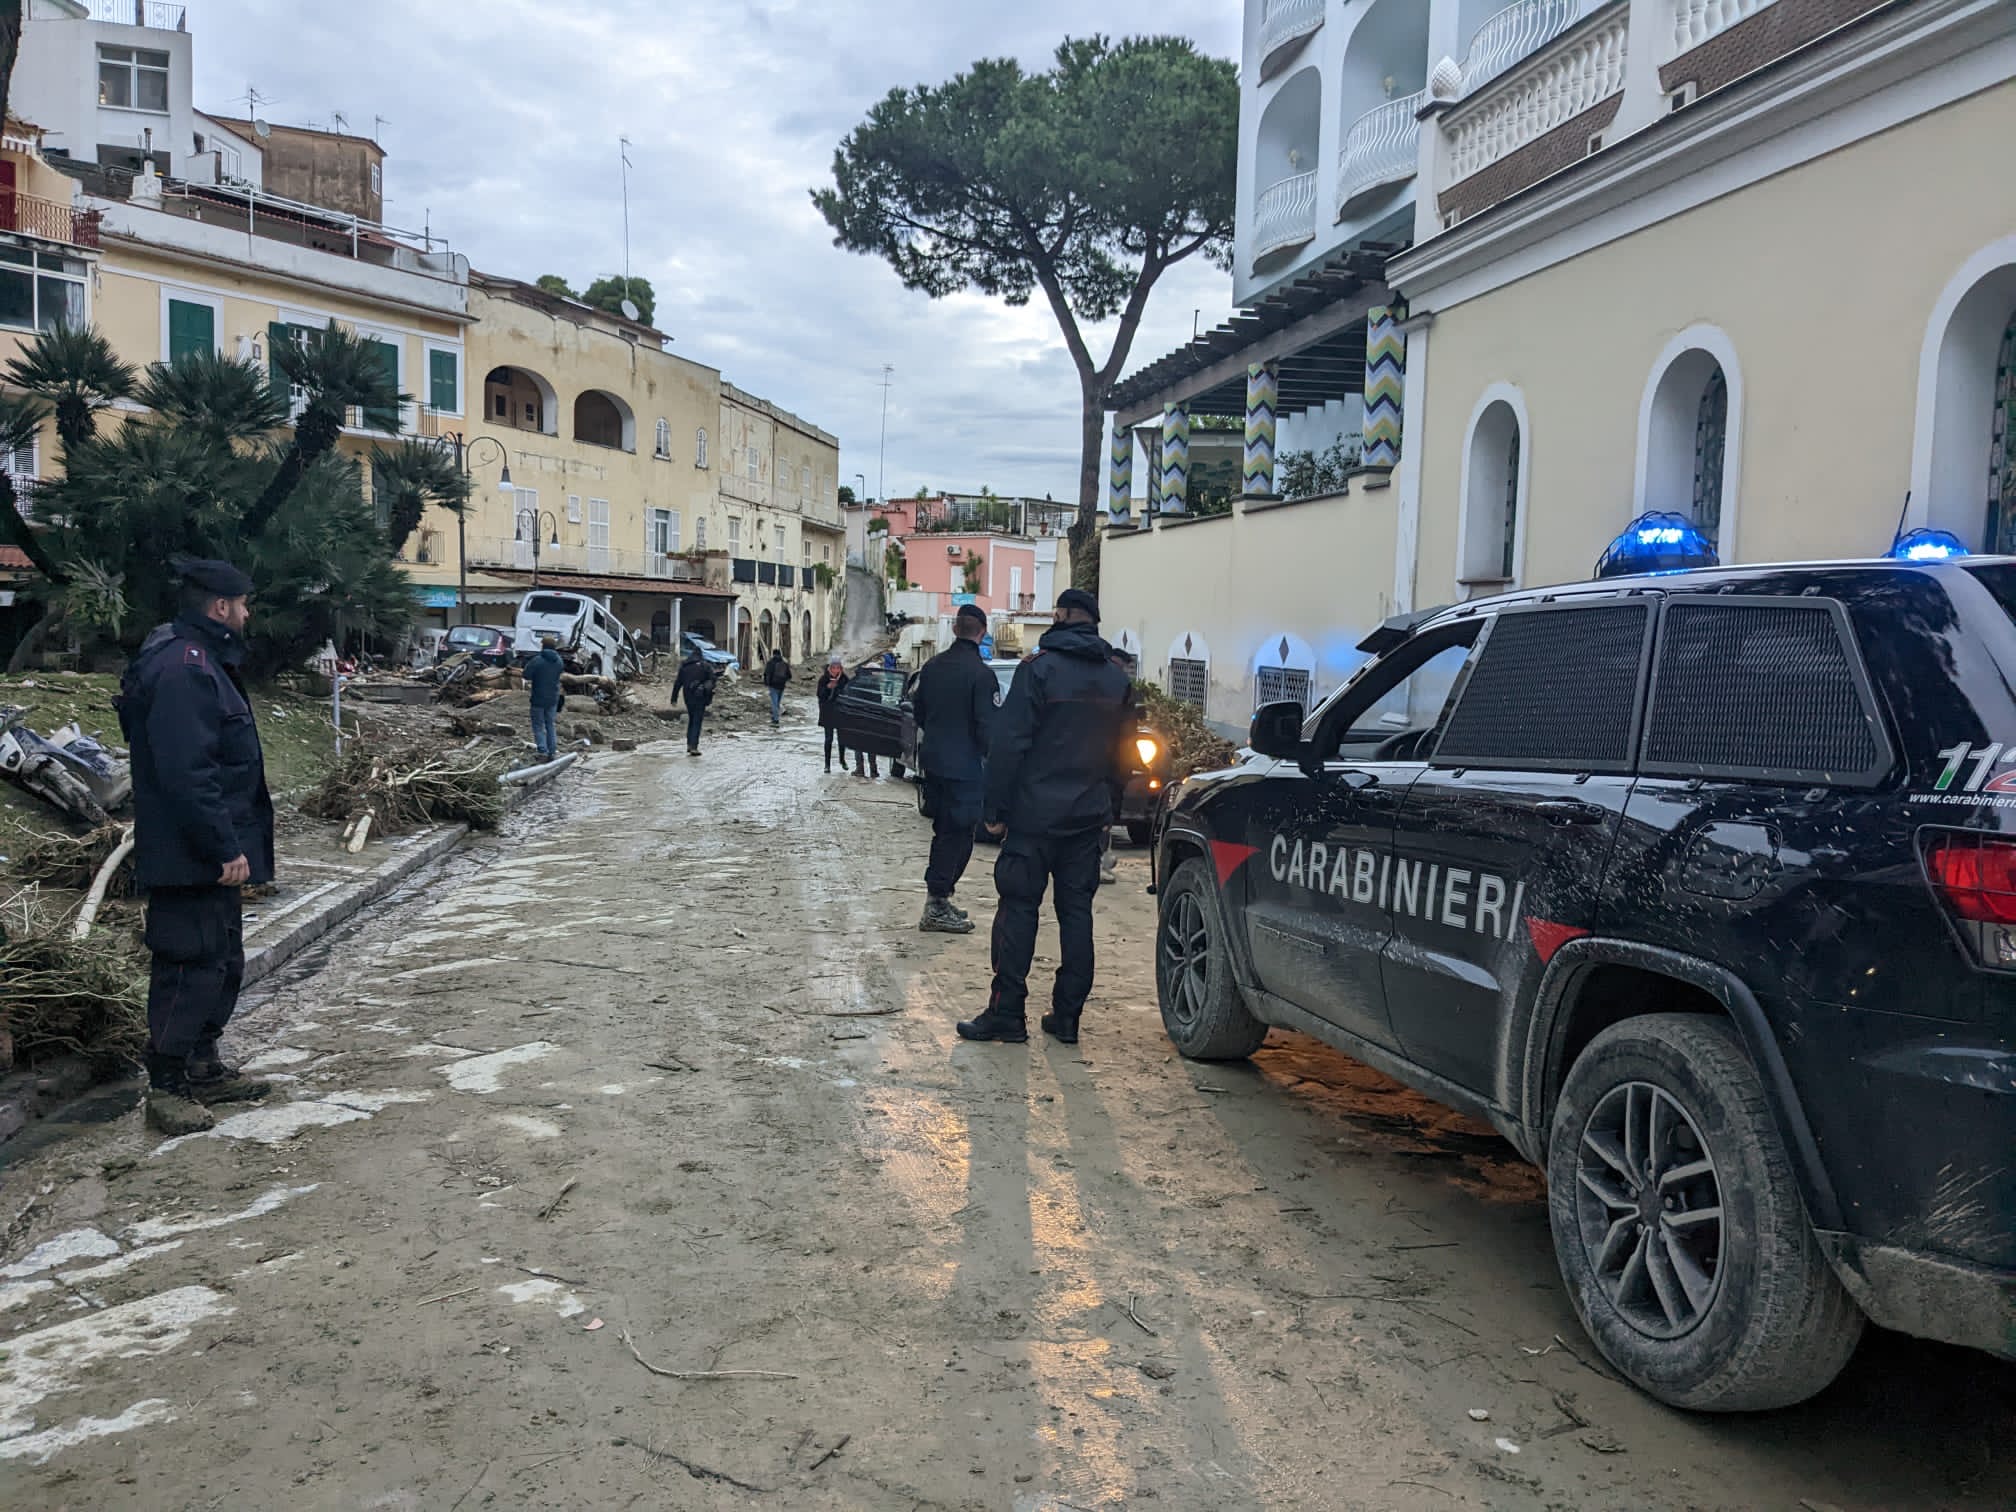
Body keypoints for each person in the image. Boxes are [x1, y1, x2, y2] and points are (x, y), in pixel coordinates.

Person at [116, 555, 278, 1135]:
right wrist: (222, 847)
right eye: (242, 604)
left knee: (220, 959)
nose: (248, 612)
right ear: (220, 608)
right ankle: (166, 1087)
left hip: (209, 852)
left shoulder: (200, 658)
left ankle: (203, 1066)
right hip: (192, 856)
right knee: (187, 964)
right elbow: (188, 773)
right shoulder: (185, 668)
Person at [958, 589, 1136, 1047]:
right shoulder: (1118, 682)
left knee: (1018, 911)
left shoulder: (1037, 671)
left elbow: (1008, 746)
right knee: (1077, 915)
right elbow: (1124, 759)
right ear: (1094, 623)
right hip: (1085, 821)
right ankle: (1068, 1016)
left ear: (1059, 618)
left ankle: (1008, 1014)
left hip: (1033, 820)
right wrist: (1107, 813)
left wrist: (995, 813)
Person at [911, 604, 998, 934]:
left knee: (944, 832)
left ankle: (939, 899)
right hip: (964, 768)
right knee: (959, 837)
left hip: (933, 763)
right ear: (982, 633)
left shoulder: (932, 668)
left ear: (955, 630)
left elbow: (918, 712)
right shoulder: (981, 675)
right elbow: (986, 729)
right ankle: (936, 903)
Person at [1099, 647, 1139, 886]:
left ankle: (1102, 857)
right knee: (1104, 815)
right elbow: (1128, 730)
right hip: (1110, 764)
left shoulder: (1098, 680)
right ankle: (1100, 860)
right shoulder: (1120, 684)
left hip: (1098, 761)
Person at [525, 634, 565, 760]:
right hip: (553, 698)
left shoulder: (537, 660)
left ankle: (542, 750)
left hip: (538, 697)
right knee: (550, 724)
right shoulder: (559, 660)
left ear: (543, 646)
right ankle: (552, 750)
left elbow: (526, 674)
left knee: (538, 725)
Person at [673, 645, 717, 756]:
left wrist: (674, 698)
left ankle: (689, 744)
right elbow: (713, 679)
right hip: (700, 697)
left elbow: (678, 683)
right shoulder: (705, 666)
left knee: (692, 719)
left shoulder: (684, 666)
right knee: (697, 721)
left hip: (687, 696)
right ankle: (694, 746)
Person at [816, 654, 850, 772]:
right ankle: (827, 764)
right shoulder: (823, 679)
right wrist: (827, 688)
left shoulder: (845, 679)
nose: (835, 670)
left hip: (841, 712)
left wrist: (839, 690)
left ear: (840, 668)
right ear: (830, 668)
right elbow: (819, 695)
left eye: (838, 668)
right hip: (828, 713)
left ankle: (842, 759)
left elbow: (848, 694)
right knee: (828, 739)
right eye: (833, 667)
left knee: (842, 739)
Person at [763, 649, 792, 728]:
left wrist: (766, 683)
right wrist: (784, 680)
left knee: (774, 703)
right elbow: (789, 676)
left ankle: (775, 719)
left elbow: (766, 673)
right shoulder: (785, 664)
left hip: (773, 686)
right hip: (781, 686)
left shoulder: (770, 663)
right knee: (777, 703)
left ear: (773, 654)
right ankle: (774, 716)